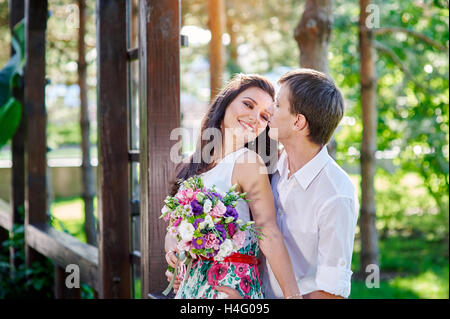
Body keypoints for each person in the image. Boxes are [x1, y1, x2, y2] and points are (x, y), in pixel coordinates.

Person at [164, 74, 302, 299]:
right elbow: (173, 228)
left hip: (230, 286)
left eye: (265, 116)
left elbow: (268, 231)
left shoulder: (248, 161)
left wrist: (292, 296)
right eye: (248, 104)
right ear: (226, 102)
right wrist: (173, 251)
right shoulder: (191, 164)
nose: (255, 117)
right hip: (191, 287)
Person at [261, 68, 359, 299]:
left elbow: (331, 292)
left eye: (277, 104)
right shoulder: (267, 166)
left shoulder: (336, 195)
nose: (268, 110)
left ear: (298, 122)